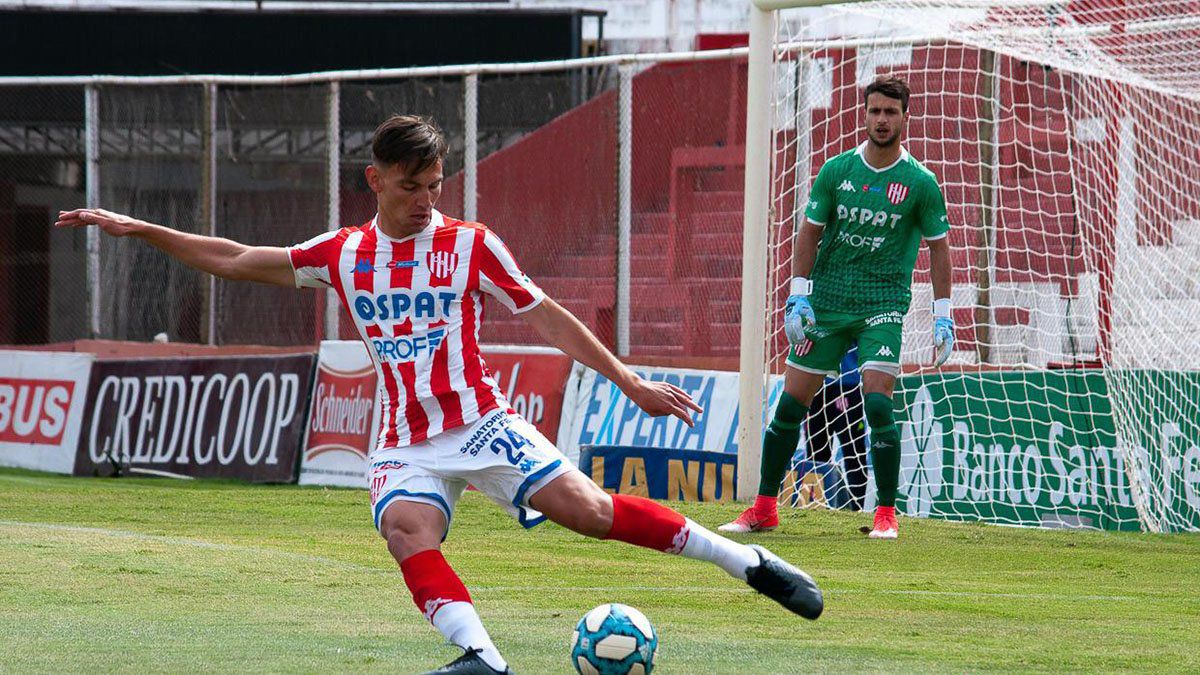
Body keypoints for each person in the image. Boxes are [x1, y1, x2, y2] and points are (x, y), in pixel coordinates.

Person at [56, 114, 823, 675]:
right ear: (376, 181)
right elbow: (232, 257)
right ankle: (482, 658)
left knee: (589, 513)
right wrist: (139, 227)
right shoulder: (342, 253)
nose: (428, 199)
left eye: (436, 184)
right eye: (414, 185)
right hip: (402, 438)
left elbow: (547, 312)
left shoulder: (468, 243)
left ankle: (745, 561)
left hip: (483, 422)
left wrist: (626, 378)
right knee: (407, 529)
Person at [720, 75, 955, 540]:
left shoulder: (920, 183)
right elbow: (809, 232)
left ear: (906, 117)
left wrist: (944, 312)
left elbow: (939, 248)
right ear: (863, 114)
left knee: (877, 404)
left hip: (882, 304)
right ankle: (764, 509)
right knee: (790, 406)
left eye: (890, 112)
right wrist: (798, 293)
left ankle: (885, 515)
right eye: (874, 111)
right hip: (826, 302)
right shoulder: (836, 171)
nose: (881, 120)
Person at [805, 344, 868, 511]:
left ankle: (856, 509)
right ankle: (817, 505)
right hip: (814, 383)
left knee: (854, 452)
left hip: (846, 383)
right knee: (816, 452)